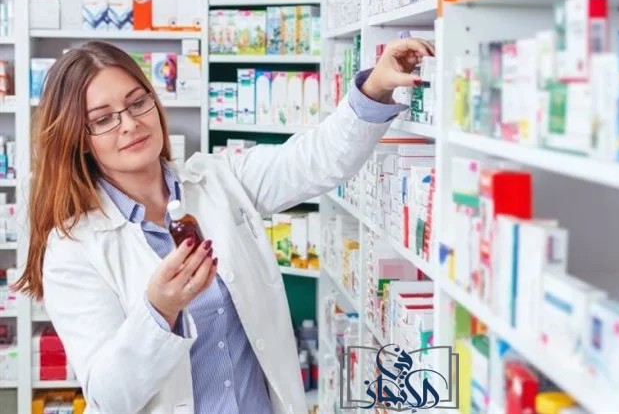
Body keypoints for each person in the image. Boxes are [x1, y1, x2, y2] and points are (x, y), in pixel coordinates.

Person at [13, 38, 434, 414]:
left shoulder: (219, 181)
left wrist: (375, 88)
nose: (129, 123)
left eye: (137, 102)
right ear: (78, 139)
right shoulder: (73, 249)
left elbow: (315, 160)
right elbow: (109, 397)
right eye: (103, 119)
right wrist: (159, 311)